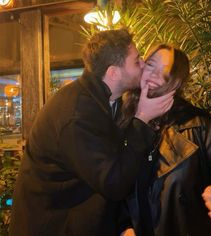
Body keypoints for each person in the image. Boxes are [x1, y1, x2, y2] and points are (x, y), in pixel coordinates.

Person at [9, 29, 175, 236]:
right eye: (136, 61)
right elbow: (113, 182)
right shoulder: (77, 114)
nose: (143, 64)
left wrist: (123, 225)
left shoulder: (106, 101)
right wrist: (142, 119)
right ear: (113, 72)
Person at [119, 44, 211, 236]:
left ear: (178, 81)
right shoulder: (124, 124)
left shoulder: (200, 125)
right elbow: (113, 183)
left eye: (166, 71)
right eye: (150, 65)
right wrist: (123, 225)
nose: (155, 75)